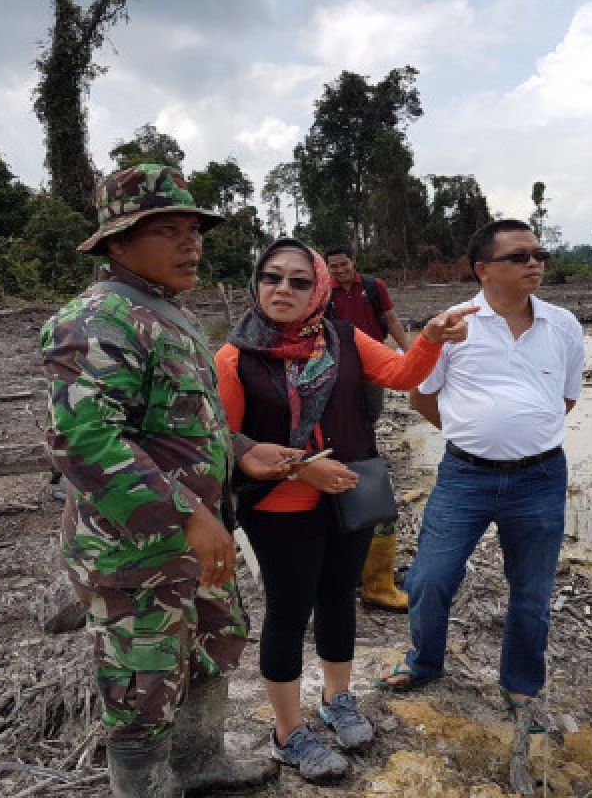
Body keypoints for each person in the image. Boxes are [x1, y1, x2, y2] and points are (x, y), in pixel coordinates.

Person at [39, 164, 302, 798]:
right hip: (136, 549)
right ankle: (147, 787)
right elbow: (84, 439)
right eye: (168, 230)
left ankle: (198, 761)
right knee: (141, 679)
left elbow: (183, 425)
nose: (192, 244)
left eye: (195, 230)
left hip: (193, 542)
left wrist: (243, 451)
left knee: (214, 643)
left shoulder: (168, 315)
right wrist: (186, 513)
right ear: (117, 242)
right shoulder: (97, 322)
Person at [215, 238, 476, 783]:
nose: (282, 289)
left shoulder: (345, 338)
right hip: (280, 507)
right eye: (271, 277)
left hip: (350, 495)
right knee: (288, 613)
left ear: (319, 289)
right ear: (255, 284)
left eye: (298, 280)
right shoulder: (236, 358)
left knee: (338, 599)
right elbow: (223, 441)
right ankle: (287, 735)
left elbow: (404, 376)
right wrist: (298, 467)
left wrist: (428, 337)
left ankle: (338, 699)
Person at [378, 219, 584, 737]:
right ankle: (425, 662)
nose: (533, 263)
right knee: (431, 577)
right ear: (483, 269)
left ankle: (520, 685)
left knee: (532, 591)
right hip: (465, 477)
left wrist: (519, 434)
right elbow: (420, 395)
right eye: (518, 257)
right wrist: (476, 435)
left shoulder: (563, 325)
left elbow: (565, 398)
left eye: (538, 254)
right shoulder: (451, 326)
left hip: (540, 478)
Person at [325, 245, 414, 612]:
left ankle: (376, 583)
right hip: (336, 366)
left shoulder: (373, 287)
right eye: (334, 267)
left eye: (344, 265)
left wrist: (407, 351)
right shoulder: (323, 293)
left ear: (353, 264)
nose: (341, 271)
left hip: (372, 361)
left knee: (366, 422)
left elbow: (391, 319)